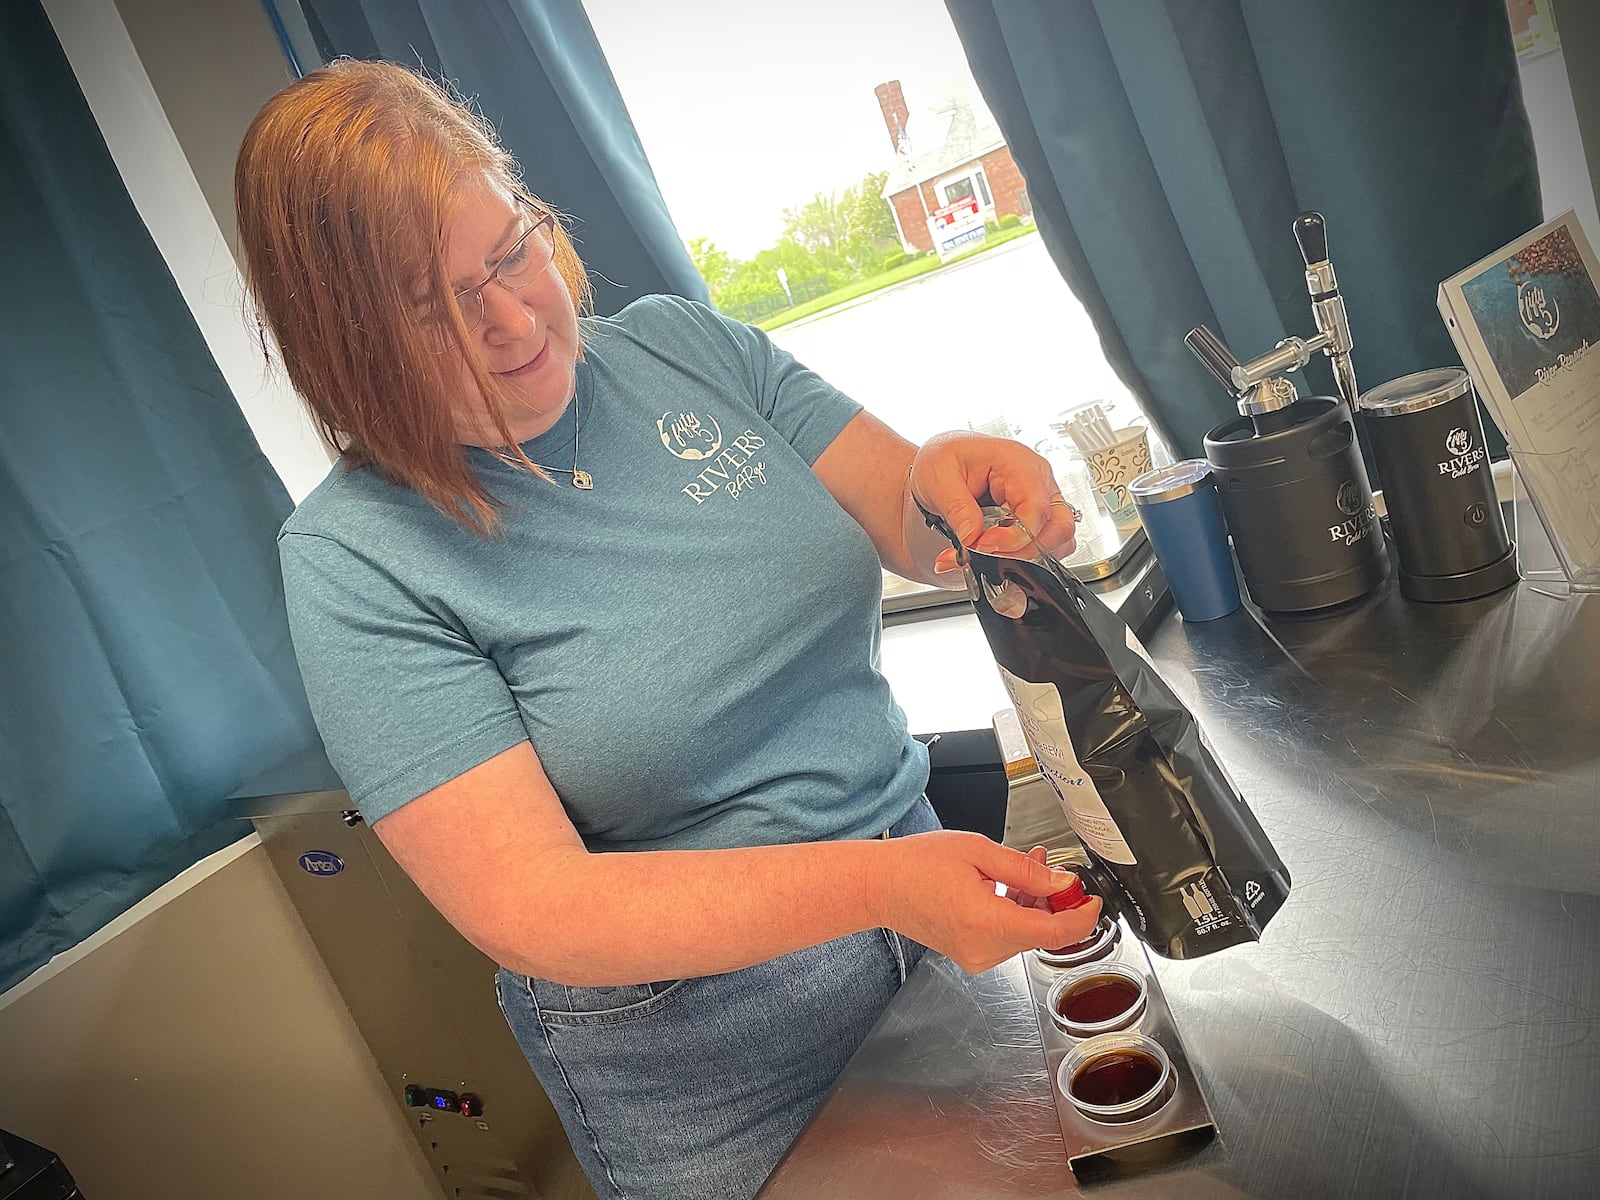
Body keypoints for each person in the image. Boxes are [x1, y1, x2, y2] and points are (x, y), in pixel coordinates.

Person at [235, 59, 1099, 1200]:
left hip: (926, 896)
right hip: (705, 1054)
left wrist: (956, 481)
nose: (509, 321)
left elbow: (911, 516)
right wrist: (881, 887)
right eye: (433, 307)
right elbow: (539, 912)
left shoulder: (682, 350)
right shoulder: (357, 561)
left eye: (511, 253)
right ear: (343, 342)